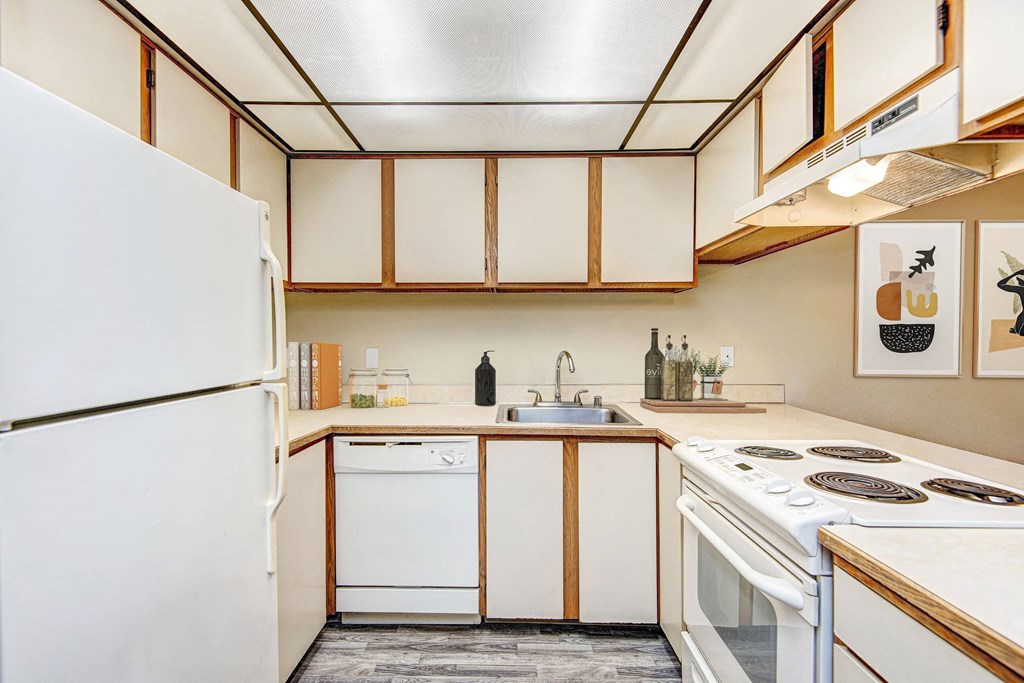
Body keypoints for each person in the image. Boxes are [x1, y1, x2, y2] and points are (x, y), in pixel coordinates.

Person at [996, 269, 1024, 336]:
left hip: (1021, 328)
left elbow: (1000, 284)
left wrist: (1015, 273)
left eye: (1019, 280)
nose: (1018, 282)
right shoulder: (1021, 289)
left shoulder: (1021, 289)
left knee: (1018, 330)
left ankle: (1015, 329)